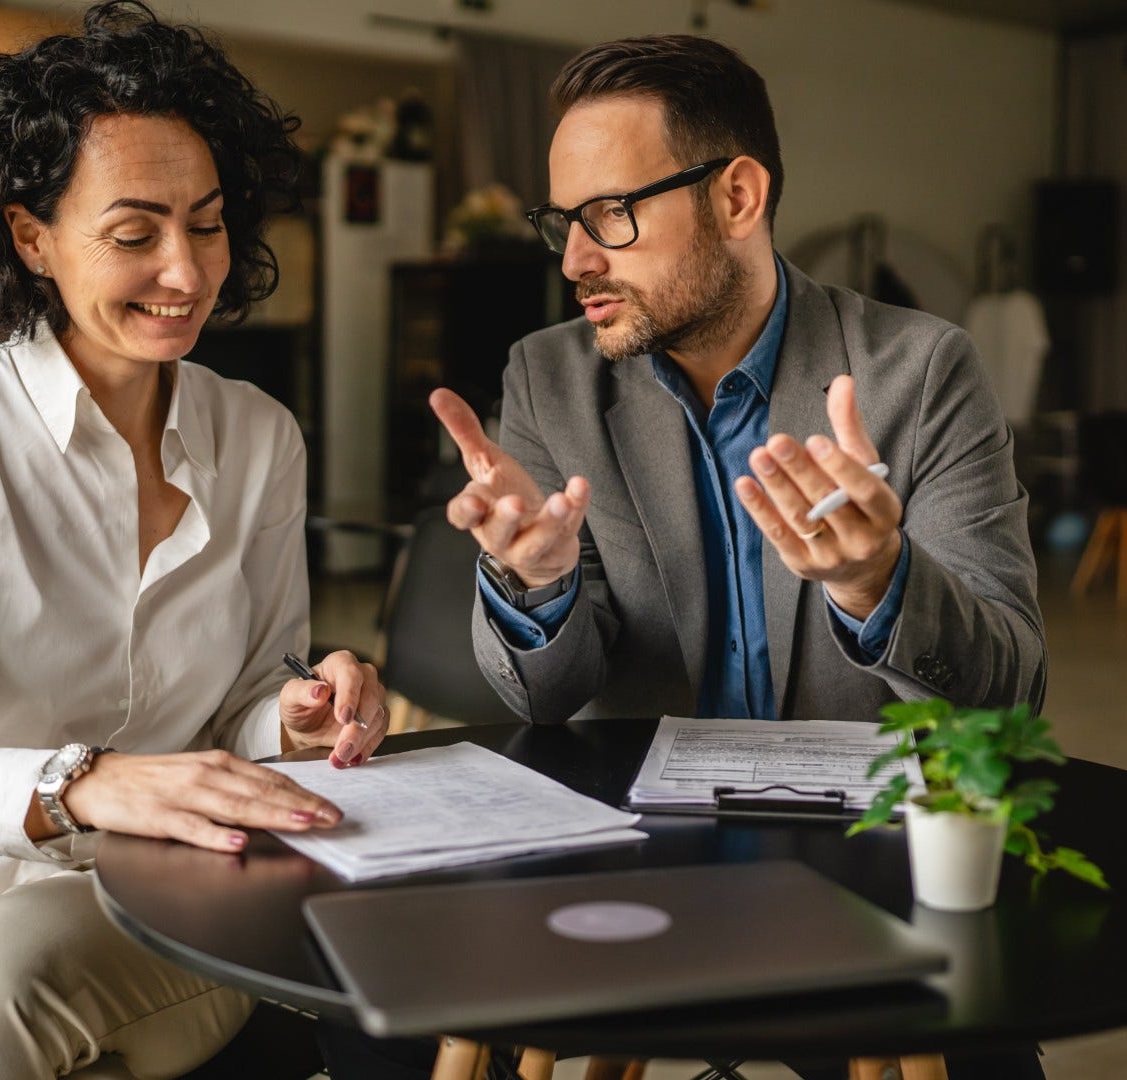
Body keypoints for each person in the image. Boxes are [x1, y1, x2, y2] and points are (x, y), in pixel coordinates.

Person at [427, 34, 1046, 1079]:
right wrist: (533, 587)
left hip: (867, 865)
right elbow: (546, 696)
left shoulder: (919, 371)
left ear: (739, 196)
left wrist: (877, 584)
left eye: (608, 216)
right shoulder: (549, 379)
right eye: (561, 223)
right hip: (629, 858)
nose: (575, 259)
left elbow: (1011, 698)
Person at [0, 5, 388, 1078]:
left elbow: (246, 708)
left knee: (9, 971)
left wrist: (291, 720)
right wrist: (79, 783)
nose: (188, 271)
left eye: (206, 224)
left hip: (159, 902)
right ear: (32, 238)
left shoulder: (258, 437)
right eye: (133, 233)